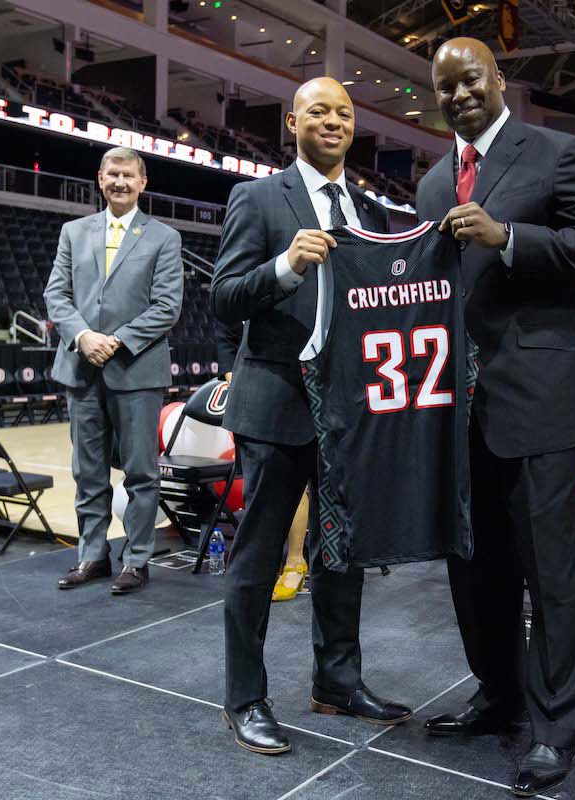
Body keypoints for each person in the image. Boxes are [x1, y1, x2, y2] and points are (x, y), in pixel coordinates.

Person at [416, 38, 575, 797]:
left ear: (498, 78)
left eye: (470, 79)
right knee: (478, 575)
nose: (460, 95)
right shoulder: (434, 184)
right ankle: (496, 695)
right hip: (458, 414)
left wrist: (509, 239)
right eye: (445, 87)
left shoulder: (559, 153)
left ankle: (553, 728)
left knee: (554, 578)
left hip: (538, 405)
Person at [211, 76, 410, 755]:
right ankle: (244, 697)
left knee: (341, 553)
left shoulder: (373, 212)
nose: (333, 120)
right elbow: (224, 297)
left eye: (345, 112)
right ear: (291, 122)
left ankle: (337, 680)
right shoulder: (258, 198)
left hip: (349, 411)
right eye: (319, 110)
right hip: (275, 405)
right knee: (258, 557)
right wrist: (286, 265)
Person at [44, 146, 183, 594]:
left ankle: (137, 560)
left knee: (141, 471)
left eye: (128, 175)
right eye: (112, 174)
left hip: (136, 368)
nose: (120, 182)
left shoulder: (163, 237)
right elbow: (56, 296)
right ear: (100, 179)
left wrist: (116, 340)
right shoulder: (73, 231)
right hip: (81, 368)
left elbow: (167, 306)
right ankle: (93, 555)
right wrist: (84, 337)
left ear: (143, 183)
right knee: (88, 470)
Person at [216, 317, 307, 603]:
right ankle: (265, 566)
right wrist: (235, 376)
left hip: (294, 384)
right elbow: (225, 335)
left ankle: (295, 561)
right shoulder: (239, 283)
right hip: (250, 394)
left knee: (296, 481)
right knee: (259, 487)